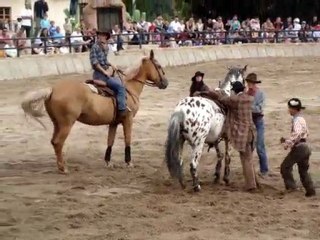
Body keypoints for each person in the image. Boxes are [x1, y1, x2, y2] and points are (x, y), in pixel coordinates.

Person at [195, 82, 259, 192]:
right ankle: (255, 182)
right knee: (249, 158)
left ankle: (251, 186)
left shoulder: (234, 100)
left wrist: (204, 92)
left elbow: (220, 98)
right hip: (252, 132)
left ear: (234, 90)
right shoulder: (249, 98)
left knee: (245, 160)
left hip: (242, 133)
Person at [280, 98, 316, 197]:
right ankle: (310, 191)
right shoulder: (301, 119)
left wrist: (287, 143)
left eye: (290, 108)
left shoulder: (297, 120)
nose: (289, 110)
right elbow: (305, 133)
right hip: (305, 147)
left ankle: (291, 188)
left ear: (294, 109)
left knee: (285, 167)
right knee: (303, 171)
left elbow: (297, 134)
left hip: (300, 148)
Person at [89, 29, 127, 121]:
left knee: (120, 80)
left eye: (105, 36)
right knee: (120, 87)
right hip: (100, 75)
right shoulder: (95, 47)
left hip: (104, 72)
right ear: (98, 36)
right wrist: (104, 72)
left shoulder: (104, 47)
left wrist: (112, 65)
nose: (103, 37)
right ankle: (122, 110)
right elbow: (95, 63)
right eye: (101, 35)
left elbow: (104, 60)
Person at [245, 73, 269, 176]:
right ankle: (251, 170)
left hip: (258, 121)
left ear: (254, 83)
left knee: (260, 146)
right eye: (248, 82)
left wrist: (248, 107)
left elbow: (260, 108)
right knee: (248, 147)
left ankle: (264, 170)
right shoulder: (246, 93)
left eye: (251, 82)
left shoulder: (261, 94)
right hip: (249, 121)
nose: (249, 84)